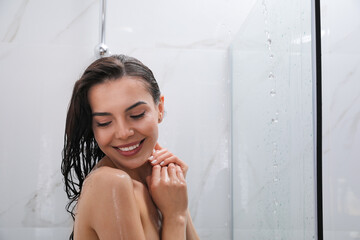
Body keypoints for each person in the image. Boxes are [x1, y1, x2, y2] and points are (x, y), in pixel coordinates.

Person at [61, 54, 199, 240]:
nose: (123, 133)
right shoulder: (110, 183)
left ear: (159, 109)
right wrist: (175, 217)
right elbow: (177, 219)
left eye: (136, 114)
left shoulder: (161, 182)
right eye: (104, 122)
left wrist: (177, 200)